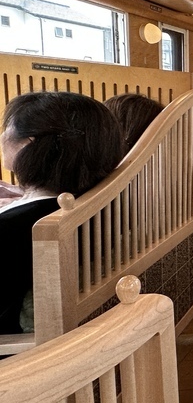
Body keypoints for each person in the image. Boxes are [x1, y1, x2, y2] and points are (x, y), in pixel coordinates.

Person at [0, 92, 124, 334]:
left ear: (29, 145)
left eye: (9, 128)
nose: (3, 135)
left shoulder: (19, 227)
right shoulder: (99, 207)